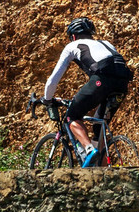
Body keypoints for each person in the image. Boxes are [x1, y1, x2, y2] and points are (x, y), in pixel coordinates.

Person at [41, 17, 133, 167]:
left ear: (73, 36)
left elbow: (53, 79)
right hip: (122, 85)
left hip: (101, 81)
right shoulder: (106, 43)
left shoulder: (72, 45)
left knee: (71, 117)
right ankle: (102, 170)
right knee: (99, 126)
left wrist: (47, 99)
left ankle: (89, 150)